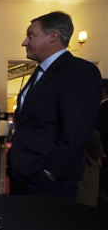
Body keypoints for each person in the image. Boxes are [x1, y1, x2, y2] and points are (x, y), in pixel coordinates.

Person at [9, 11, 102, 200]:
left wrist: (50, 172)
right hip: (23, 176)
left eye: (31, 35)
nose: (24, 42)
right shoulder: (39, 72)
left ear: (53, 36)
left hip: (49, 183)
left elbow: (77, 132)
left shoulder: (79, 72)